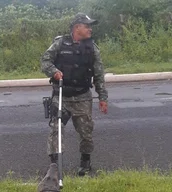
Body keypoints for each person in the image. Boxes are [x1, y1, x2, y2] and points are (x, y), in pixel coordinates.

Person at [40, 12, 108, 176]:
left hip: (82, 97)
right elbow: (45, 61)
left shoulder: (92, 48)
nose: (90, 29)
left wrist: (102, 97)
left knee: (86, 133)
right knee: (56, 131)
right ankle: (55, 167)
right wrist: (54, 71)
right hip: (61, 96)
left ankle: (85, 164)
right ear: (77, 27)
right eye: (87, 26)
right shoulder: (59, 43)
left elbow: (99, 74)